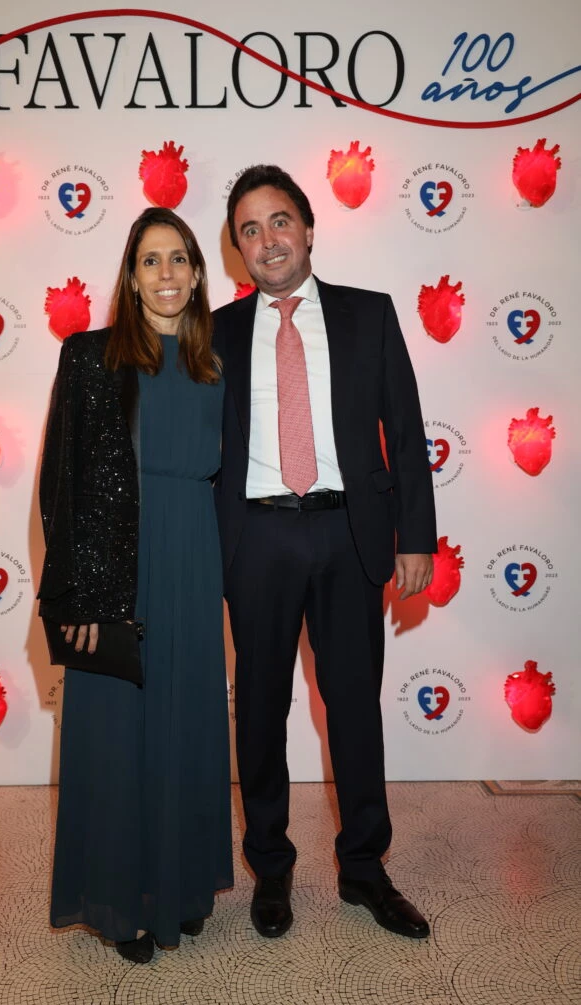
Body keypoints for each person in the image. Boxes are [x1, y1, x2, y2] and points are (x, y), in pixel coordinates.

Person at [213, 165, 437, 941]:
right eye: (249, 229)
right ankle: (270, 868)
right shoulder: (216, 333)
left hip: (349, 535)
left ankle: (364, 868)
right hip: (256, 538)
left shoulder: (366, 316)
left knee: (353, 707)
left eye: (279, 221)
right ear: (236, 249)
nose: (266, 240)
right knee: (262, 710)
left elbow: (404, 433)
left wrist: (415, 537)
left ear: (307, 229)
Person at [37, 207, 233, 964]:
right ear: (129, 275)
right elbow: (63, 481)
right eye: (151, 261)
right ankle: (119, 904)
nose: (167, 274)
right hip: (113, 564)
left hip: (193, 555)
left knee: (184, 723)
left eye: (179, 259)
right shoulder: (89, 356)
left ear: (197, 271)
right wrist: (79, 594)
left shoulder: (218, 361)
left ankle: (178, 891)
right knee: (116, 732)